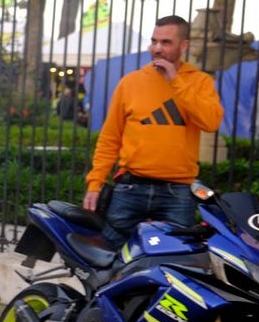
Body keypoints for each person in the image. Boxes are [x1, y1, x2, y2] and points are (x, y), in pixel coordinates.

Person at [81, 15, 224, 248]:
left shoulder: (200, 82)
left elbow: (210, 122)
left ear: (184, 45)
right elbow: (110, 138)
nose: (157, 48)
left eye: (166, 42)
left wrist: (175, 81)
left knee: (173, 260)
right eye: (154, 41)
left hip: (177, 192)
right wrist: (95, 183)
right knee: (110, 257)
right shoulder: (131, 83)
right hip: (130, 187)